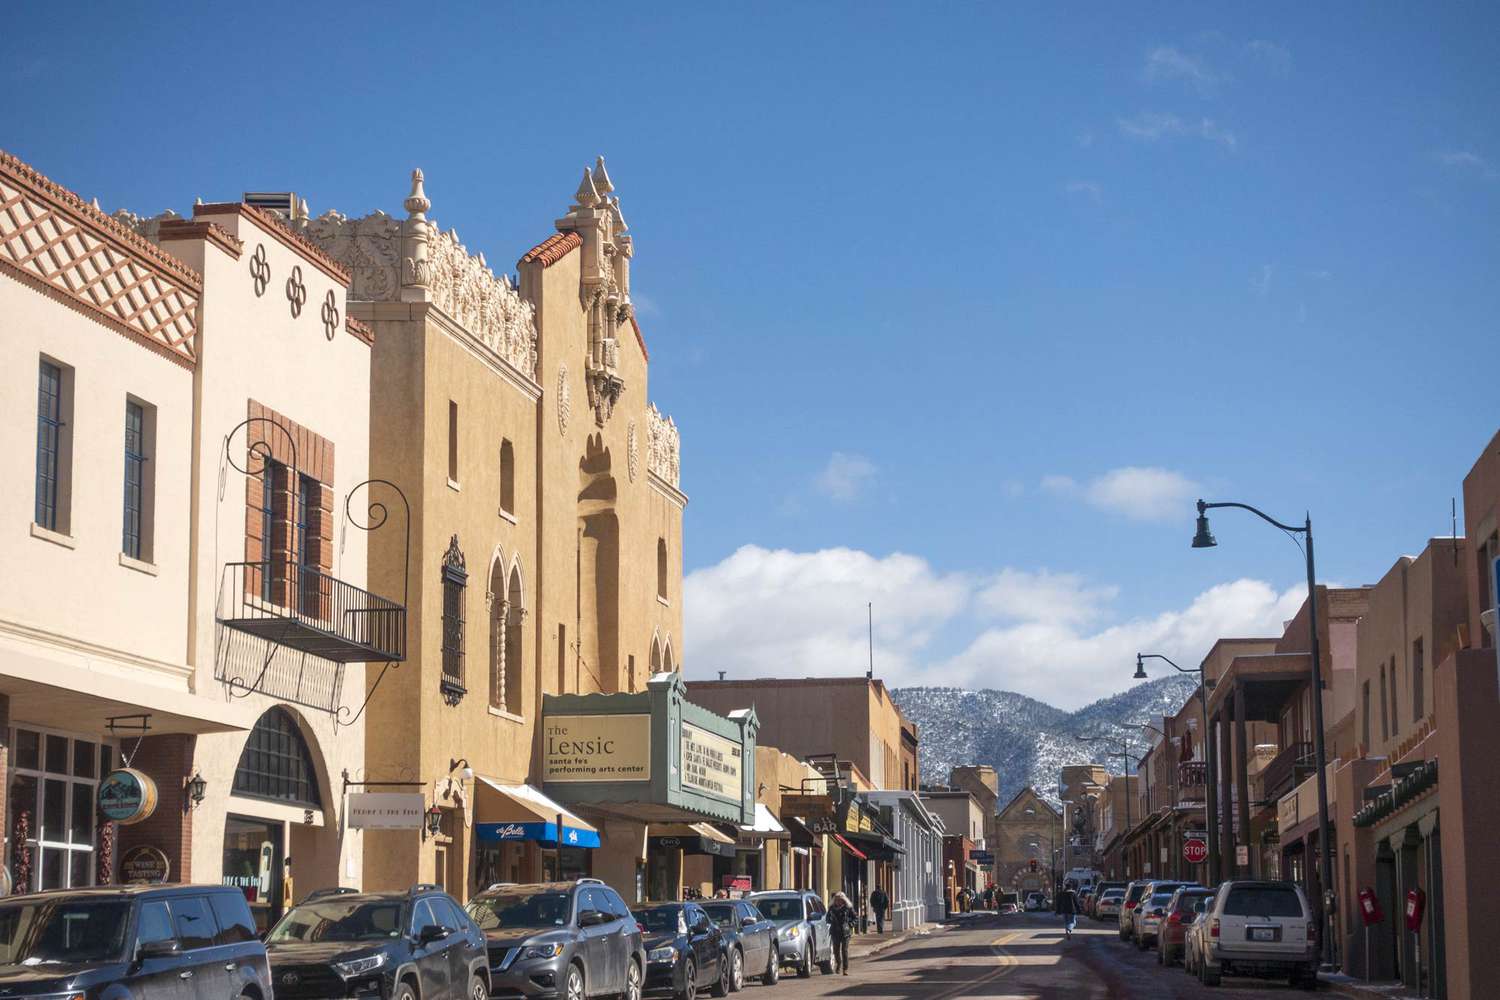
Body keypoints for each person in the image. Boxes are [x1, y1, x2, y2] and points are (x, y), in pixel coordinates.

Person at [829, 892, 856, 975]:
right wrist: (830, 921)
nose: (838, 902)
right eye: (837, 900)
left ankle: (845, 969)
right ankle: (839, 964)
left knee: (844, 950)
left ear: (844, 900)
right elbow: (827, 918)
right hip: (835, 932)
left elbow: (855, 918)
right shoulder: (831, 909)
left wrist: (850, 925)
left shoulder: (848, 908)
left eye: (840, 900)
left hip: (845, 932)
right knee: (836, 951)